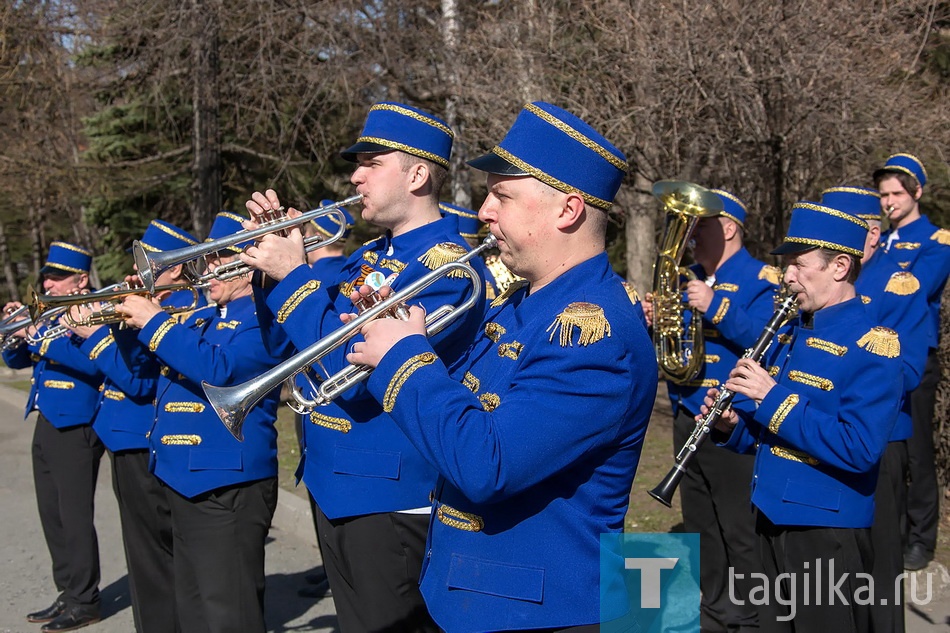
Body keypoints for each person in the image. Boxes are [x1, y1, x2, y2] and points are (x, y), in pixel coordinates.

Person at [345, 101, 657, 631]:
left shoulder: (591, 332)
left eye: (502, 195)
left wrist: (405, 359)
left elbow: (487, 465)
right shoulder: (519, 304)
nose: (484, 210)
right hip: (475, 594)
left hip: (537, 612)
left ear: (568, 211)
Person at [240, 102, 488, 632]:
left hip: (390, 498)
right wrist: (269, 262)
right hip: (337, 483)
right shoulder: (371, 255)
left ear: (418, 174)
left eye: (373, 163)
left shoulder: (446, 267)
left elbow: (343, 371)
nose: (356, 175)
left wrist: (292, 275)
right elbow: (292, 338)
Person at [708, 201, 903, 632]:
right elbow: (770, 436)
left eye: (798, 265)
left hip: (824, 530)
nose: (788, 276)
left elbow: (859, 448)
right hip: (770, 515)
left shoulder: (873, 345)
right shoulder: (790, 333)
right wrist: (731, 427)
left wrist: (772, 397)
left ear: (839, 266)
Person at [114, 212, 286, 633]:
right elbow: (142, 366)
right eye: (204, 259)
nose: (206, 268)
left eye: (217, 258)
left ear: (250, 264)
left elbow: (220, 368)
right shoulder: (201, 317)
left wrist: (154, 321)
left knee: (228, 614)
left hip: (227, 482)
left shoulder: (264, 319)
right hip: (181, 477)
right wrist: (127, 320)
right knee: (192, 609)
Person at [643, 189, 778, 633]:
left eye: (701, 225)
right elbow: (675, 345)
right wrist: (654, 320)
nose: (692, 234)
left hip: (733, 421)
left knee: (739, 528)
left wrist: (716, 305)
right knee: (701, 523)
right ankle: (716, 609)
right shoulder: (687, 277)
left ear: (729, 228)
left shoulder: (764, 278)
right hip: (687, 410)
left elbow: (773, 343)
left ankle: (753, 616)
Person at [66, 220, 205, 633]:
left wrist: (93, 335)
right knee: (146, 558)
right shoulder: (152, 301)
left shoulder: (180, 306)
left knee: (154, 560)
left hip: (146, 440)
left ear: (176, 267)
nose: (135, 269)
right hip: (124, 437)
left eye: (148, 261)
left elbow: (139, 382)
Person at [820, 186, 930, 633]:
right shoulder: (817, 283)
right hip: (823, 439)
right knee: (829, 576)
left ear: (869, 234)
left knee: (880, 573)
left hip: (879, 444)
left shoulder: (897, 284)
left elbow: (907, 370)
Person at [2, 242, 105, 632]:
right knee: (52, 515)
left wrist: (42, 340)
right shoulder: (50, 312)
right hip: (47, 416)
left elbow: (94, 362)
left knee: (74, 515)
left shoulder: (94, 309)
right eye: (47, 275)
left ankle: (85, 598)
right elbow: (16, 359)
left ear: (80, 279)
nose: (48, 282)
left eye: (57, 277)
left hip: (78, 421)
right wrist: (14, 333)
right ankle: (68, 591)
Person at [873, 153, 950, 571]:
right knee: (888, 451)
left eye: (897, 193)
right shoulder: (877, 241)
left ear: (916, 192)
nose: (889, 202)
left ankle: (921, 539)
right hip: (875, 355)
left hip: (914, 357)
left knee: (917, 453)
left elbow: (916, 288)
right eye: (883, 195)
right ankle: (894, 530)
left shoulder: (936, 241)